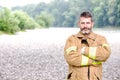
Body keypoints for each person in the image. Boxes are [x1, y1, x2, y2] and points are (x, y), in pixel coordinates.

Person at [64, 11, 111, 80]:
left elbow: (105, 54)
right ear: (79, 24)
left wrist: (84, 50)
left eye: (88, 23)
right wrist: (95, 61)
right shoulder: (71, 39)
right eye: (83, 23)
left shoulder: (101, 39)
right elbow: (71, 58)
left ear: (92, 24)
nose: (85, 26)